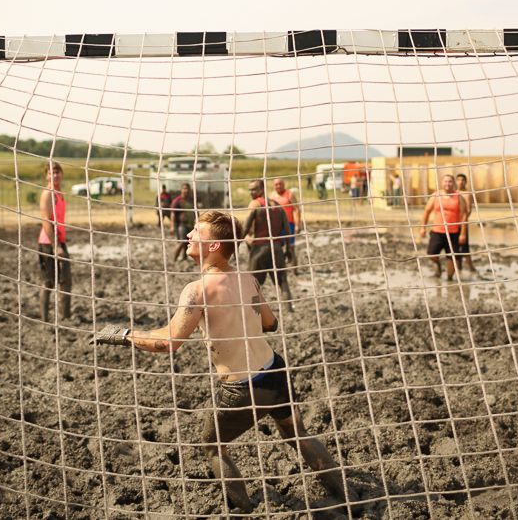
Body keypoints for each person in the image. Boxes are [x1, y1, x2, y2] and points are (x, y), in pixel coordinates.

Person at [92, 211, 355, 512]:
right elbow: (271, 323)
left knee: (212, 444)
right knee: (297, 433)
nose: (188, 235)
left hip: (241, 388)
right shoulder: (248, 279)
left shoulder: (197, 290)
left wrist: (124, 334)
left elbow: (168, 343)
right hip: (274, 371)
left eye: (195, 231)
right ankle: (348, 497)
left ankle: (243, 510)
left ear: (215, 245)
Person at [241, 180, 293, 304]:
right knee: (283, 282)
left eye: (254, 189)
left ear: (262, 189)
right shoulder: (278, 206)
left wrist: (234, 245)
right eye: (249, 189)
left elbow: (245, 229)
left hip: (260, 248)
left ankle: (252, 311)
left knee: (252, 284)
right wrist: (288, 249)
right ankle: (290, 308)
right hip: (276, 249)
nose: (250, 192)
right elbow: (286, 231)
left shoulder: (255, 204)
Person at [37, 162, 71, 322]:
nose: (55, 175)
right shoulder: (47, 194)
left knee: (66, 280)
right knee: (49, 282)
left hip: (60, 241)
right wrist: (55, 246)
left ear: (62, 174)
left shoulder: (59, 193)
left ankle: (66, 317)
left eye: (58, 171)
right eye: (52, 172)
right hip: (48, 243)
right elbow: (45, 221)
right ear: (47, 176)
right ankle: (44, 319)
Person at [420, 173, 469, 281]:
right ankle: (438, 266)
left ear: (453, 183)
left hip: (453, 233)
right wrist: (423, 228)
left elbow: (464, 215)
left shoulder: (458, 197)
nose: (448, 184)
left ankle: (449, 280)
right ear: (442, 183)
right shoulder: (435, 195)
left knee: (452, 258)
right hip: (437, 231)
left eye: (450, 181)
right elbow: (427, 211)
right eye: (445, 181)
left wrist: (462, 234)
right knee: (431, 254)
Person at [269, 178, 301, 266]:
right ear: (273, 185)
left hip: (289, 224)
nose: (278, 186)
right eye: (276, 184)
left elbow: (296, 210)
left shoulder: (290, 195)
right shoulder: (271, 196)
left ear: (284, 184)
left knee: (291, 247)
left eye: (280, 184)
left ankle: (295, 270)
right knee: (277, 248)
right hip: (277, 226)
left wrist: (298, 224)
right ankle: (281, 269)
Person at [455, 173, 482, 274]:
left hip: (463, 223)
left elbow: (468, 210)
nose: (460, 182)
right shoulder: (453, 192)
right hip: (453, 224)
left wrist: (463, 221)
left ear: (465, 182)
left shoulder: (467, 194)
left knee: (465, 246)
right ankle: (459, 268)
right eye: (458, 180)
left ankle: (471, 267)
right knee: (455, 246)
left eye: (462, 180)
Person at [170, 183, 196, 264]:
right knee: (182, 242)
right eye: (184, 188)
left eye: (188, 189)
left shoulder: (192, 200)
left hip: (191, 224)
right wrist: (172, 226)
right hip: (182, 225)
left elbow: (195, 212)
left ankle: (185, 258)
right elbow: (173, 214)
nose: (186, 190)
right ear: (181, 190)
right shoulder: (177, 200)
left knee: (190, 242)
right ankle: (174, 260)